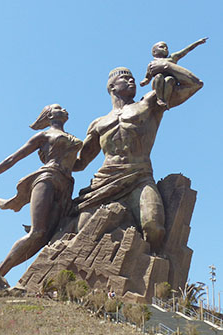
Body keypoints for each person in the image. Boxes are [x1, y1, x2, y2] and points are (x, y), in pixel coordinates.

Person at [73, 64, 203, 253]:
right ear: (112, 87)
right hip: (104, 182)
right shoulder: (98, 123)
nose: (131, 80)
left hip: (139, 177)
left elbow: (194, 84)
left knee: (154, 227)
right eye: (125, 78)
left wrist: (165, 65)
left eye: (132, 77)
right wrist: (55, 158)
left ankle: (152, 274)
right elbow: (79, 163)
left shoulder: (149, 103)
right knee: (82, 230)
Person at [0, 104, 82, 276]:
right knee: (37, 232)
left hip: (66, 185)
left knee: (46, 238)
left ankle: (7, 274)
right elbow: (12, 159)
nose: (65, 109)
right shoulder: (44, 135)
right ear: (49, 115)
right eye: (59, 108)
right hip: (47, 179)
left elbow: (79, 164)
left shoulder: (72, 137)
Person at [140, 38, 207, 108]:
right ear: (154, 52)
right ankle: (159, 98)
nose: (165, 48)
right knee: (159, 76)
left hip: (170, 83)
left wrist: (197, 43)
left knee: (170, 79)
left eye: (166, 48)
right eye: (162, 47)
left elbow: (185, 50)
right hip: (158, 82)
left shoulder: (171, 58)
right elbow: (148, 77)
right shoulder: (152, 64)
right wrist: (144, 82)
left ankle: (165, 100)